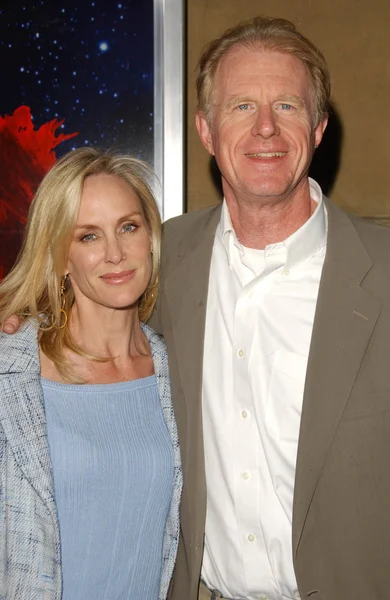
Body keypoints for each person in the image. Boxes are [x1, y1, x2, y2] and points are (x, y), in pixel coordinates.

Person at [4, 16, 390, 600]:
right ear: (206, 131)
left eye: (286, 105)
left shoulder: (381, 270)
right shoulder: (167, 261)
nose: (265, 128)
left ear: (317, 129)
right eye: (240, 107)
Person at [0, 147, 182, 599]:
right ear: (60, 255)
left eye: (128, 227)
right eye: (88, 237)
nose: (116, 254)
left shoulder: (177, 369)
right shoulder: (12, 370)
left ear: (150, 238)